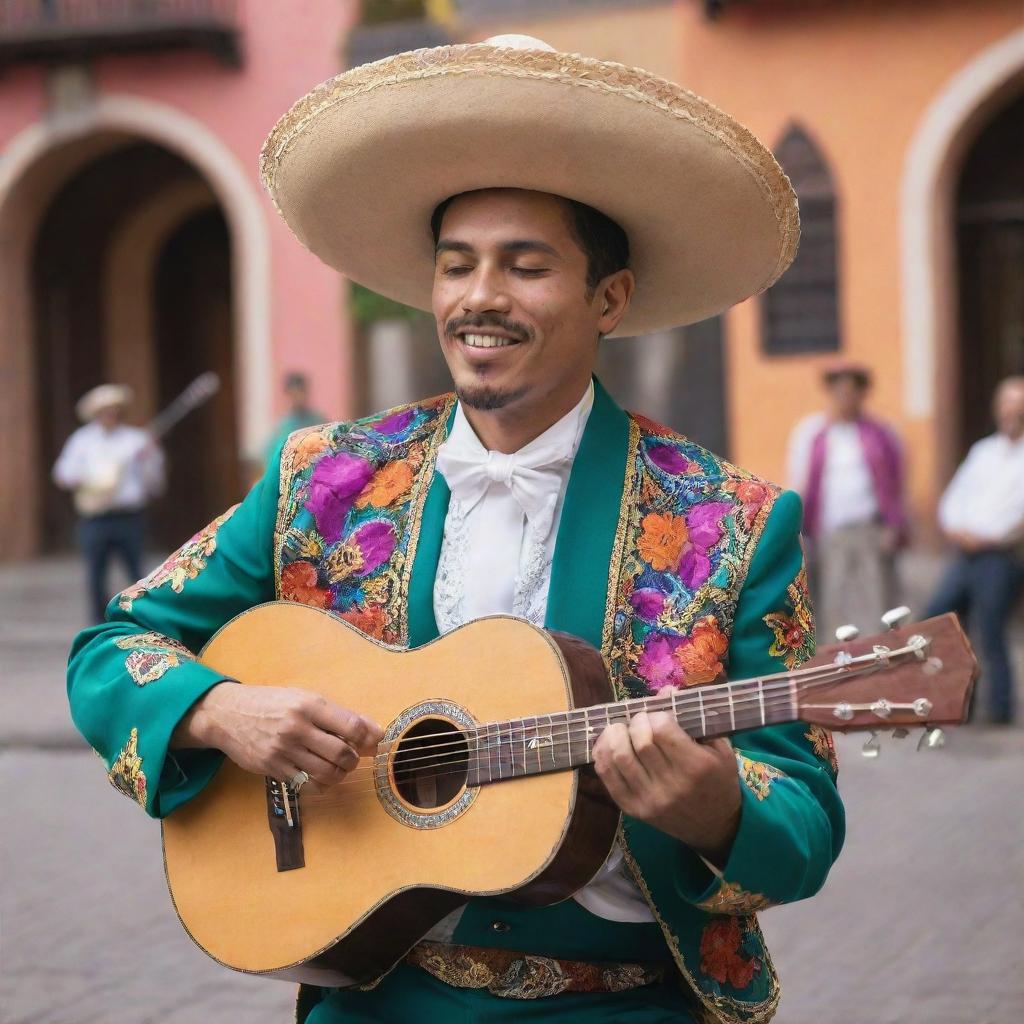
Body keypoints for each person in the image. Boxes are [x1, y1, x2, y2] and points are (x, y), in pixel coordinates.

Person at [67, 36, 844, 1024]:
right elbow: (113, 647)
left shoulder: (728, 520)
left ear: (608, 297)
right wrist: (218, 710)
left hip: (625, 1006)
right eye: (456, 266)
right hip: (373, 994)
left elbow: (805, 810)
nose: (480, 296)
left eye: (524, 266)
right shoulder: (324, 478)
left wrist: (719, 807)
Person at [925, 376, 1024, 725]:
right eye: (1006, 404)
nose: (1011, 412)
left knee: (991, 626)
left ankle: (1000, 707)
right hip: (965, 552)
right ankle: (959, 698)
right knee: (941, 617)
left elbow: (1017, 514)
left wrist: (984, 535)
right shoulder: (984, 451)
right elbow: (956, 494)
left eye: (1018, 405)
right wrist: (955, 526)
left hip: (999, 555)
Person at [787, 361, 908, 637]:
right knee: (833, 601)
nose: (845, 398)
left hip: (869, 530)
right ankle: (840, 663)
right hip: (831, 533)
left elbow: (895, 483)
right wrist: (800, 531)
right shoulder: (813, 434)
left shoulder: (881, 434)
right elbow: (799, 484)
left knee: (875, 600)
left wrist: (894, 525)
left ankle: (878, 657)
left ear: (862, 395)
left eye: (851, 392)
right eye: (839, 392)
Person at [53, 384, 165, 624]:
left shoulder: (136, 440)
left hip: (128, 516)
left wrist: (149, 460)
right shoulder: (81, 441)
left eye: (114, 409)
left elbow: (155, 483)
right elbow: (62, 473)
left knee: (137, 574)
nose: (110, 414)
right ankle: (98, 624)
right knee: (95, 575)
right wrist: (92, 478)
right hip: (96, 516)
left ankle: (143, 620)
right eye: (105, 410)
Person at [264, 372, 327, 468]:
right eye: (293, 394)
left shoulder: (318, 422)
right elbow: (271, 459)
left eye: (300, 392)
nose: (297, 398)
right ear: (287, 395)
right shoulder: (283, 429)